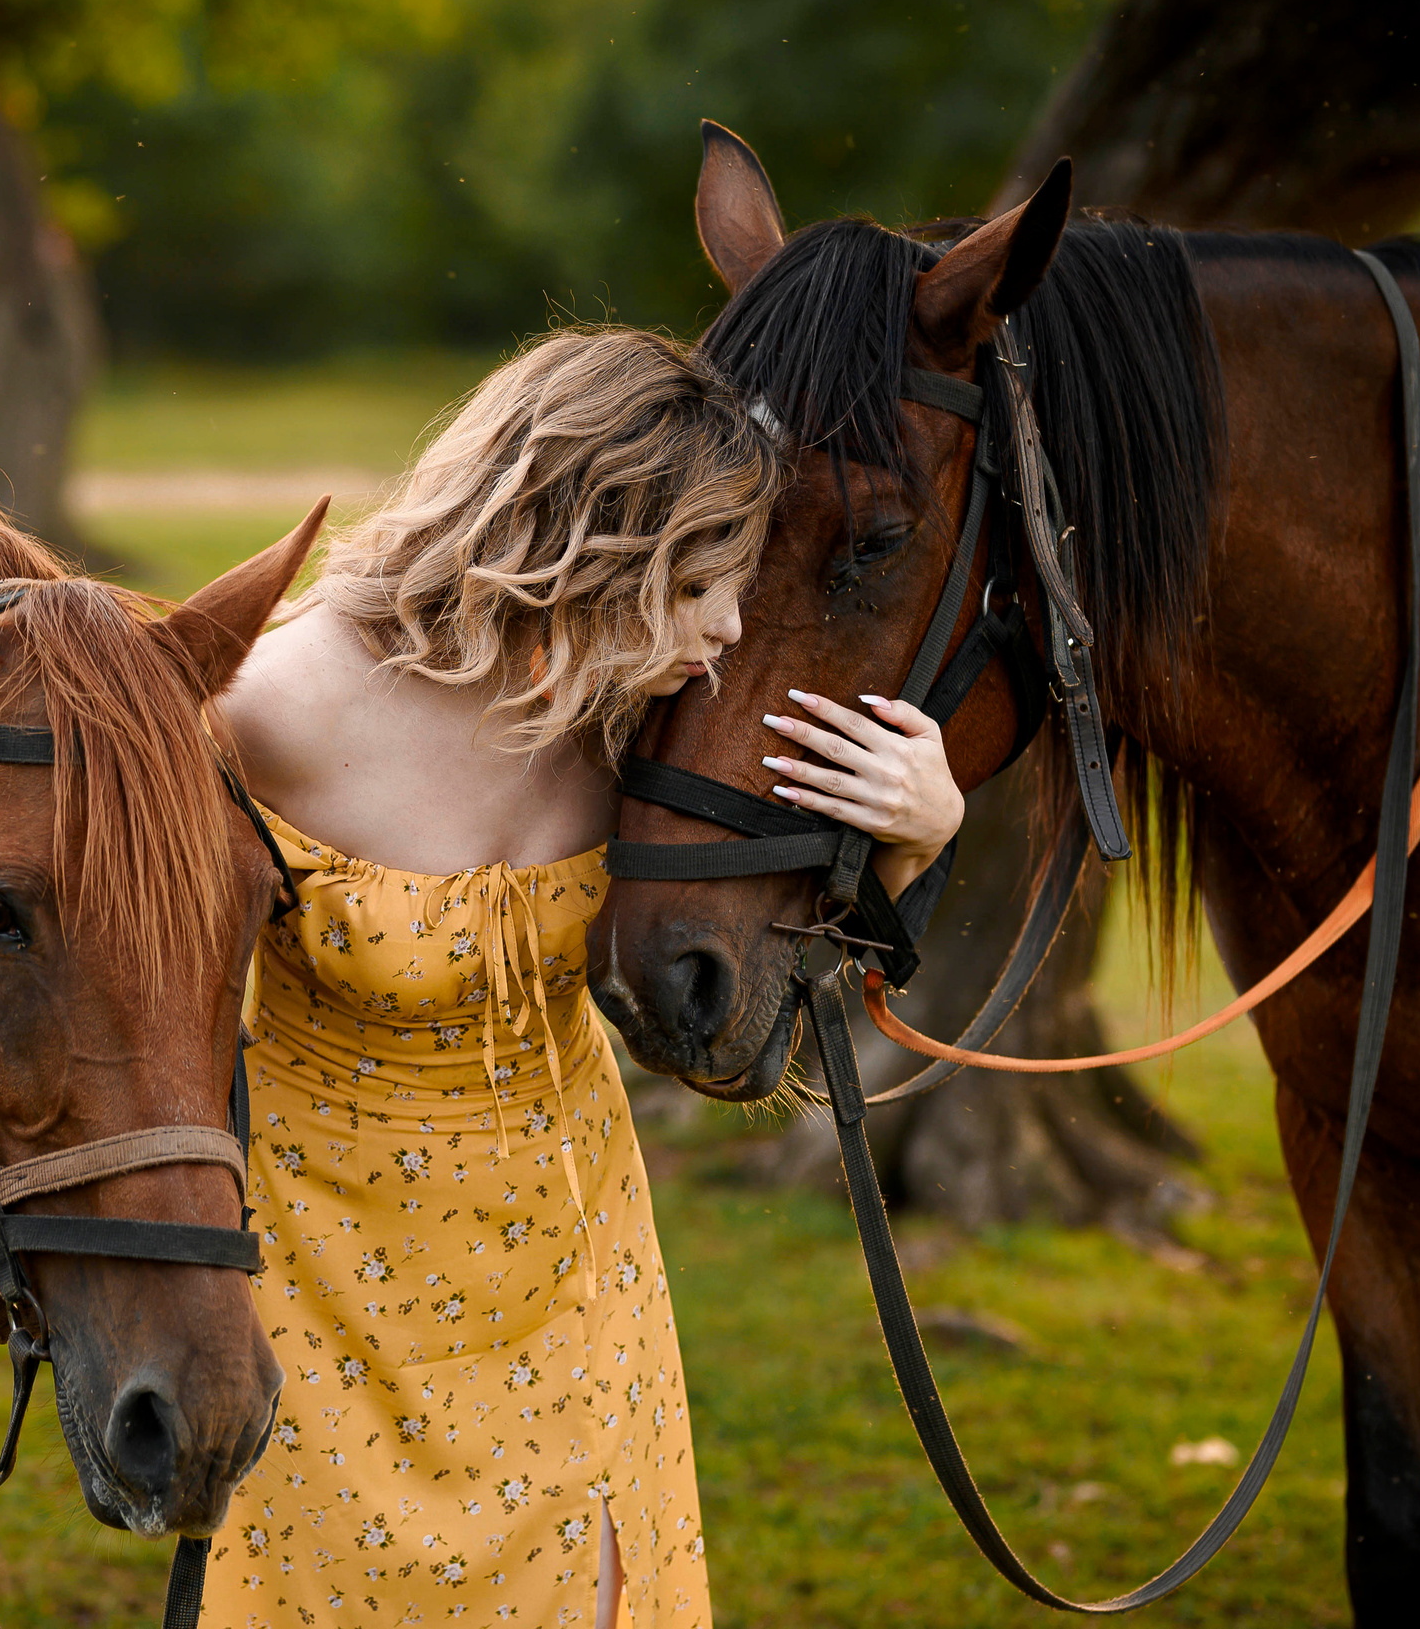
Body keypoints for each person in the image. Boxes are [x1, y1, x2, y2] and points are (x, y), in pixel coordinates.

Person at [208, 326, 964, 1627]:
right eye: (700, 582)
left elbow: (753, 969)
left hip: (573, 1268)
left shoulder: (636, 716)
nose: (729, 629)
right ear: (588, 542)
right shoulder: (278, 704)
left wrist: (916, 827)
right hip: (324, 1277)